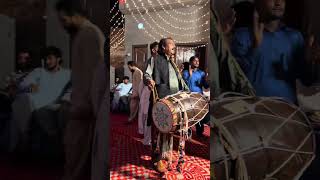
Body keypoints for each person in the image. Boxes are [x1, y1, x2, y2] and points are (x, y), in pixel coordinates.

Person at [55, 0, 106, 179]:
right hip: (81, 105)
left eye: (63, 20)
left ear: (74, 14)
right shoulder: (83, 34)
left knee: (76, 157)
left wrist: (82, 106)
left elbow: (93, 76)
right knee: (75, 155)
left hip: (83, 108)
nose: (62, 25)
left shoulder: (89, 34)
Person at [230, 0, 314, 103]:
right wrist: (256, 46)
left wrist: (310, 60)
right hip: (252, 109)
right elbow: (235, 79)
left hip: (288, 110)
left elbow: (307, 81)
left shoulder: (294, 37)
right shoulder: (242, 35)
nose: (278, 2)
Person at [9, 46, 71, 153]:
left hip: (56, 104)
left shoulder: (68, 73)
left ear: (58, 59)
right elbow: (23, 85)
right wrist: (30, 86)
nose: (47, 61)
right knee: (23, 100)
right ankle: (23, 138)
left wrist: (65, 99)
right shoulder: (39, 71)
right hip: (38, 102)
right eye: (46, 59)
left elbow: (73, 88)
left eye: (50, 58)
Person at [148, 37, 189, 172]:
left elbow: (179, 79)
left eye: (174, 45)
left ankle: (165, 154)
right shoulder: (154, 59)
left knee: (169, 129)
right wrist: (148, 80)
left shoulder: (173, 62)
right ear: (163, 47)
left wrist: (187, 91)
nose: (174, 47)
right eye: (171, 45)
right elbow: (147, 74)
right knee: (159, 129)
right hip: (160, 100)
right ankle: (157, 158)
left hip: (173, 100)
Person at [182, 56, 209, 137]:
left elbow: (206, 86)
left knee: (199, 116)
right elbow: (185, 85)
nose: (197, 62)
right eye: (195, 61)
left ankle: (199, 132)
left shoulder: (202, 73)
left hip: (198, 97)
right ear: (190, 63)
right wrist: (190, 75)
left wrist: (208, 80)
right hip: (188, 97)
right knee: (189, 115)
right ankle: (188, 131)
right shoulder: (185, 73)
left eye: (198, 61)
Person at [138, 42, 158, 144]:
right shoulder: (151, 61)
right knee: (147, 115)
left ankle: (154, 139)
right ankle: (147, 139)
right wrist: (150, 81)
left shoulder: (161, 61)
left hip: (157, 92)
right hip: (149, 91)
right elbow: (146, 77)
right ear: (153, 50)